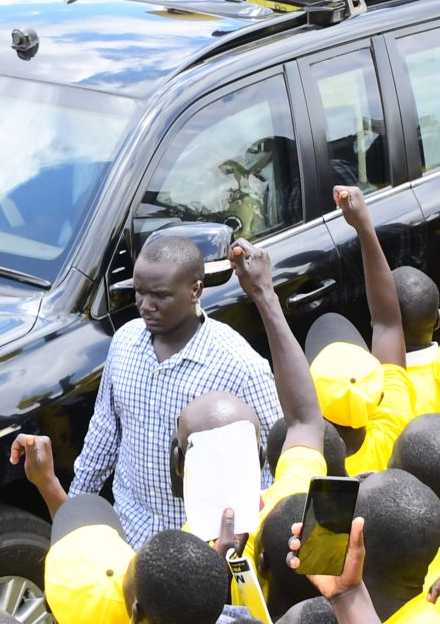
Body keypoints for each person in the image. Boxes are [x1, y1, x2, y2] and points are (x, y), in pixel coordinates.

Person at [69, 230, 281, 542]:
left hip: (199, 547)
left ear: (195, 290)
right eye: (139, 292)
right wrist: (74, 512)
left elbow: (273, 464)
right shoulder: (124, 343)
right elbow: (104, 432)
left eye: (160, 295)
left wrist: (241, 541)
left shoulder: (240, 366)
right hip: (127, 533)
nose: (145, 305)